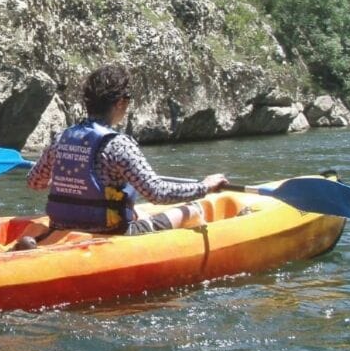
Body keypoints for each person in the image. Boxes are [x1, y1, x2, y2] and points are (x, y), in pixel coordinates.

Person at [26, 63, 228, 236]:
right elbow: (157, 193)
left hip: (62, 228)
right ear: (120, 102)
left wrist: (66, 182)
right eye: (128, 100)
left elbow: (35, 182)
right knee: (191, 211)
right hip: (110, 233)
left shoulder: (62, 138)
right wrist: (205, 187)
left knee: (139, 212)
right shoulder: (118, 145)